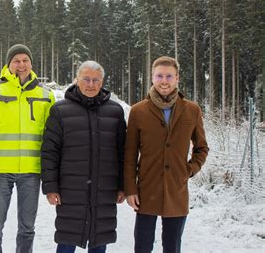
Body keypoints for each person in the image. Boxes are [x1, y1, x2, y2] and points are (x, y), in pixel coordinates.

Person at [124, 56, 209, 253]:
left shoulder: (192, 110)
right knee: (143, 246)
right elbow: (129, 154)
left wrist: (188, 170)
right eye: (159, 75)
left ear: (177, 78)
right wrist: (130, 188)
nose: (164, 81)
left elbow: (201, 148)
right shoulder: (138, 111)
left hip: (177, 191)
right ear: (152, 78)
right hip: (146, 190)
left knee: (172, 246)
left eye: (169, 76)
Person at [0, 44, 55, 253]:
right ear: (8, 64)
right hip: (0, 172)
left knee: (27, 228)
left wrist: (49, 173)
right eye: (16, 61)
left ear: (31, 63)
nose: (21, 65)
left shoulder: (46, 95)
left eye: (25, 60)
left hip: (31, 172)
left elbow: (51, 139)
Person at [41, 60, 126, 253]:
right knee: (67, 238)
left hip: (104, 189)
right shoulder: (60, 111)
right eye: (86, 79)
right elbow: (50, 152)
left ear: (102, 82)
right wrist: (50, 187)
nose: (91, 84)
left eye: (96, 80)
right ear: (77, 80)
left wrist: (122, 185)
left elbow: (123, 153)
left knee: (99, 237)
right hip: (70, 189)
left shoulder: (115, 111)